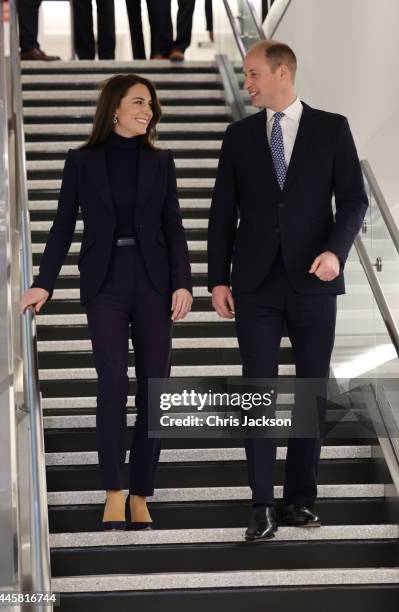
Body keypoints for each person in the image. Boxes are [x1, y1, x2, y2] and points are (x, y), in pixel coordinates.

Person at [207, 40, 368, 541]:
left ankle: (299, 499)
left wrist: (335, 251)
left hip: (313, 285)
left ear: (281, 72)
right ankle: (261, 503)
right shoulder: (237, 137)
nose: (247, 82)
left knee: (308, 393)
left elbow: (355, 202)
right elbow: (220, 214)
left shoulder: (331, 128)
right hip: (253, 287)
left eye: (253, 74)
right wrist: (217, 277)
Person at [20, 74, 193, 531]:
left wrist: (183, 282)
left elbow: (173, 225)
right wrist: (44, 282)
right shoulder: (82, 161)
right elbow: (61, 225)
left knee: (156, 386)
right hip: (105, 283)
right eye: (139, 102)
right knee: (112, 380)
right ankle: (114, 489)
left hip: (155, 284)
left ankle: (141, 492)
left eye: (152, 105)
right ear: (113, 107)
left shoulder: (162, 161)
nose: (148, 110)